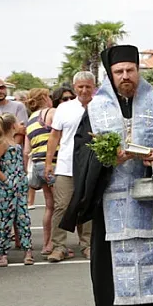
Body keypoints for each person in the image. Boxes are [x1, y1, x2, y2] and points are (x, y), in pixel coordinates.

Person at [60, 45, 153, 306]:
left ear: (138, 71)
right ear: (111, 75)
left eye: (130, 70)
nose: (125, 76)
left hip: (151, 193)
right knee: (113, 252)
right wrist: (106, 158)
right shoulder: (96, 109)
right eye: (119, 71)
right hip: (112, 194)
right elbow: (82, 150)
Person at [45, 71, 95, 261]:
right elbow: (54, 136)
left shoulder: (100, 107)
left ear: (93, 87)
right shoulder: (64, 109)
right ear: (75, 88)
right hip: (66, 166)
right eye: (80, 87)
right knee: (62, 206)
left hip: (90, 165)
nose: (84, 90)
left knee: (87, 205)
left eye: (87, 86)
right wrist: (49, 162)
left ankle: (88, 244)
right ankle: (59, 246)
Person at [0, 115, 33, 266]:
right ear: (12, 126)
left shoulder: (15, 143)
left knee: (23, 218)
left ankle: (27, 250)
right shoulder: (3, 143)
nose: (21, 124)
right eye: (18, 123)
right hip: (6, 188)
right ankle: (3, 252)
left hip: (19, 186)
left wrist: (23, 176)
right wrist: (6, 180)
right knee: (6, 220)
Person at [24, 88, 57, 256]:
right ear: (45, 98)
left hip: (37, 163)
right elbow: (58, 133)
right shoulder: (51, 112)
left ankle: (46, 243)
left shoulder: (30, 120)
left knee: (49, 206)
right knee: (59, 205)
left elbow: (26, 150)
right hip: (52, 163)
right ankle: (55, 243)